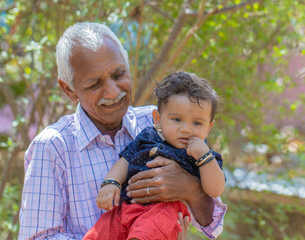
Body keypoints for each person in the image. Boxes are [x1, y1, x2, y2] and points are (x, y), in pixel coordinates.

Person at [18, 22, 227, 240]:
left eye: (118, 75)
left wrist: (190, 190)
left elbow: (212, 224)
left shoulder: (162, 122)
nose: (112, 91)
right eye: (94, 84)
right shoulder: (52, 147)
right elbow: (37, 237)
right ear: (69, 90)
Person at [84, 72, 225, 240]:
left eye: (197, 123)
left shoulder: (202, 155)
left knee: (146, 234)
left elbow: (215, 189)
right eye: (177, 119)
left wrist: (204, 157)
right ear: (158, 119)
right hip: (127, 207)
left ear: (209, 127)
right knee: (98, 234)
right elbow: (125, 160)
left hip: (164, 210)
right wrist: (111, 182)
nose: (186, 129)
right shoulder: (148, 136)